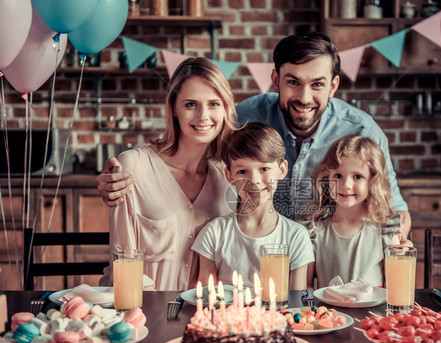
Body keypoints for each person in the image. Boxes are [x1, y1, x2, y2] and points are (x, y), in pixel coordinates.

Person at [96, 32, 412, 236]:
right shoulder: (246, 117)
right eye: (293, 82)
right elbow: (191, 146)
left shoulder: (361, 131)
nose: (304, 96)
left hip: (327, 267)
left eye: (317, 84)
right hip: (253, 258)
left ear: (333, 85)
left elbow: (394, 211)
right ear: (275, 80)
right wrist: (127, 174)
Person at [99, 57, 238, 291]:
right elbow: (123, 266)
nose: (203, 116)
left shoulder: (227, 184)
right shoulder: (134, 167)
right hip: (141, 313)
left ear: (226, 109)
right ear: (174, 108)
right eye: (191, 104)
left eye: (214, 104)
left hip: (200, 317)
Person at [193, 122, 313, 289]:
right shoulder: (214, 233)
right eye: (242, 171)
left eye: (264, 169)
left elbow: (295, 301)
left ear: (282, 169)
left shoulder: (296, 236)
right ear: (229, 176)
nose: (254, 180)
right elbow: (207, 299)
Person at [306, 135, 412, 289]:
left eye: (357, 176)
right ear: (327, 178)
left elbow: (396, 290)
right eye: (338, 175)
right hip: (329, 312)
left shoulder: (386, 231)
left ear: (372, 182)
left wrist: (404, 257)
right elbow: (306, 288)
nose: (346, 185)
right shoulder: (314, 232)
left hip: (375, 312)